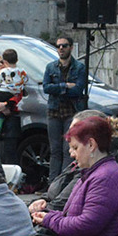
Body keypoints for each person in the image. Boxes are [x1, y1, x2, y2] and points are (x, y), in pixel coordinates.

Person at [42, 35, 88, 180]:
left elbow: (78, 90)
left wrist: (57, 88)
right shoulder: (50, 67)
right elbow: (46, 88)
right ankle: (53, 182)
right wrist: (65, 86)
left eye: (64, 45)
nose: (61, 48)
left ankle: (64, 181)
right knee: (55, 149)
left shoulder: (79, 67)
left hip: (71, 112)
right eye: (58, 46)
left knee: (68, 148)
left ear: (71, 47)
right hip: (54, 111)